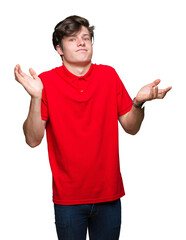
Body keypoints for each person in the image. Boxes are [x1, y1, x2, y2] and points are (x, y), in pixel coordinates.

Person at [14, 15, 172, 240]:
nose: (82, 42)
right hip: (68, 199)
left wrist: (138, 102)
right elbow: (32, 139)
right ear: (59, 48)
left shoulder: (108, 75)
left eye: (86, 38)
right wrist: (37, 97)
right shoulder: (45, 82)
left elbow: (131, 127)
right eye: (72, 39)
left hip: (109, 195)